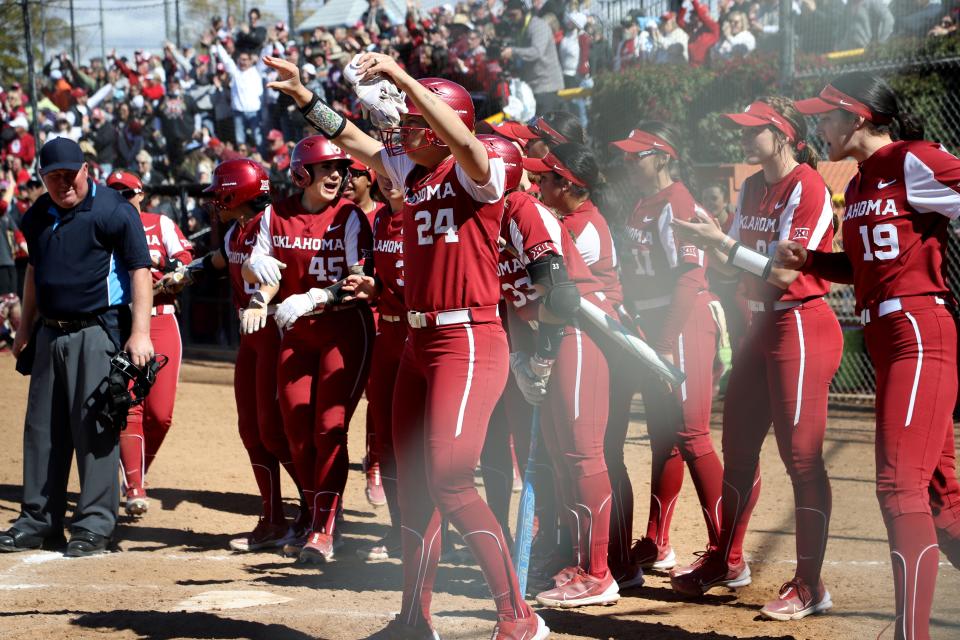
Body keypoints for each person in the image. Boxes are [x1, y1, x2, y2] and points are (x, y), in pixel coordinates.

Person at [263, 51, 548, 639]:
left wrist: (400, 77)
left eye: (417, 120)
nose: (402, 130)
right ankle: (414, 620)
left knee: (450, 477)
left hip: (468, 335)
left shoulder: (477, 168)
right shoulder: (410, 173)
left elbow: (462, 139)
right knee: (411, 485)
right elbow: (354, 138)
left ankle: (519, 617)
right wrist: (301, 96)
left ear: (446, 125)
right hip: (419, 340)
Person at [782, 72, 960, 639]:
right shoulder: (858, 183)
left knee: (897, 486)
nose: (820, 125)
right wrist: (811, 259)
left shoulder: (912, 158)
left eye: (827, 115)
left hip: (918, 330)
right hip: (888, 340)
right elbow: (861, 268)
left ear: (858, 117)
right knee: (941, 500)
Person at [669, 97, 842, 622]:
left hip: (801, 323)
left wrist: (720, 240)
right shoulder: (750, 185)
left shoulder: (807, 185)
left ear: (784, 133)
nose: (743, 138)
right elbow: (733, 256)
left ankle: (810, 585)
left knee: (802, 458)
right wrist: (709, 241)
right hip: (758, 324)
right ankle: (728, 559)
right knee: (737, 446)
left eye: (753, 130)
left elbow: (787, 274)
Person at [0, 138, 153, 557]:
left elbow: (141, 271)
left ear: (87, 169)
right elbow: (34, 269)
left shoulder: (114, 211)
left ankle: (94, 526)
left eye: (71, 173)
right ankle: (38, 520)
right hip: (49, 332)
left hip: (96, 330)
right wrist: (24, 328)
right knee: (42, 431)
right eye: (54, 177)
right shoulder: (37, 215)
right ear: (43, 178)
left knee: (95, 428)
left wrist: (140, 333)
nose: (64, 183)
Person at [243, 136, 374, 564]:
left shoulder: (350, 216)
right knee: (295, 431)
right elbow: (263, 272)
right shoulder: (273, 215)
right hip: (296, 331)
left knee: (328, 428)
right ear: (302, 173)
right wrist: (259, 295)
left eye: (341, 167)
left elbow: (358, 279)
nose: (337, 175)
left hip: (343, 329)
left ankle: (323, 528)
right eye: (326, 167)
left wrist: (315, 297)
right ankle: (313, 512)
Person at [608, 123, 725, 579]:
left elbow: (691, 277)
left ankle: (726, 551)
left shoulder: (677, 201)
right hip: (657, 324)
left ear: (661, 156)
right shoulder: (644, 203)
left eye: (636, 155)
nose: (628, 162)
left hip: (684, 321)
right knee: (664, 436)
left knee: (692, 434)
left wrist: (662, 343)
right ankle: (659, 542)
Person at [106, 170, 192, 517]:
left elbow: (186, 263)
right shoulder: (104, 226)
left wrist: (170, 272)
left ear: (141, 194)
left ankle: (132, 473)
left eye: (128, 192)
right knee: (130, 406)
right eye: (115, 193)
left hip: (161, 318)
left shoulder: (161, 223)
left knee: (161, 414)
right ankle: (135, 485)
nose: (123, 198)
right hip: (122, 320)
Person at [343, 158, 391, 509]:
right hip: (349, 315)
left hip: (383, 316)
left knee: (379, 398)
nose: (347, 180)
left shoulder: (385, 215)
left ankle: (374, 465)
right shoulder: (340, 215)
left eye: (355, 174)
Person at [500, 0, 564, 115]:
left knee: (546, 130)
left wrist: (513, 51)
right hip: (532, 87)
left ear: (524, 11)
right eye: (509, 15)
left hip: (546, 87)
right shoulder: (520, 29)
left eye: (514, 15)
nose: (511, 18)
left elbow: (536, 52)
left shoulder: (538, 25)